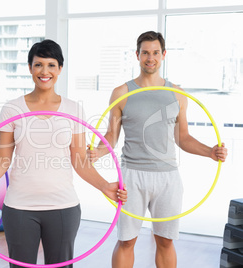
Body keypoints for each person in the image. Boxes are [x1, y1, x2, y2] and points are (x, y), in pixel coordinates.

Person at [0, 39, 127, 268]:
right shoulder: (12, 108)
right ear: (30, 68)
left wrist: (105, 186)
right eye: (38, 65)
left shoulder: (74, 109)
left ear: (60, 69)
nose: (44, 71)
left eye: (51, 65)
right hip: (19, 208)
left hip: (63, 207)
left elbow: (80, 162)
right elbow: (3, 160)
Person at [87, 31, 228, 268]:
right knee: (126, 241)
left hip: (168, 177)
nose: (150, 58)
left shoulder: (177, 93)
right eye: (145, 53)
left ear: (163, 55)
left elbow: (183, 138)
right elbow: (111, 136)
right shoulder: (122, 92)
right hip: (132, 175)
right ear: (137, 55)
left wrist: (210, 152)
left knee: (165, 241)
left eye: (155, 53)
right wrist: (98, 152)